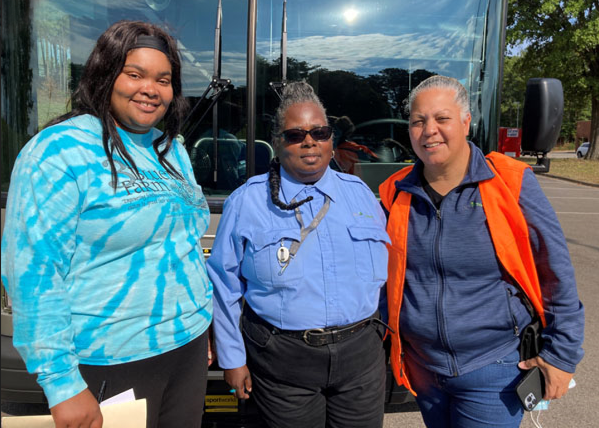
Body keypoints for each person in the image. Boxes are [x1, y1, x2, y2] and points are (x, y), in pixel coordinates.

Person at [1, 20, 212, 428]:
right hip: (109, 358)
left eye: (163, 79)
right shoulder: (59, 151)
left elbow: (184, 245)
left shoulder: (171, 149)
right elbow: (33, 272)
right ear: (105, 74)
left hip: (186, 346)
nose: (151, 88)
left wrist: (203, 321)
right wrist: (62, 384)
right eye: (134, 74)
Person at [379, 75, 584, 427]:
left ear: (465, 121)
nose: (429, 130)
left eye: (442, 118)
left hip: (494, 372)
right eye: (418, 121)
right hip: (423, 370)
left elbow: (555, 272)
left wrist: (562, 356)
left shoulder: (508, 182)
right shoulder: (394, 192)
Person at [207, 81, 390, 428]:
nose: (310, 141)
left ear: (331, 140)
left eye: (320, 132)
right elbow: (223, 285)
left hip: (360, 359)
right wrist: (232, 359)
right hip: (283, 362)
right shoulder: (247, 202)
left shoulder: (362, 195)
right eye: (295, 135)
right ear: (277, 142)